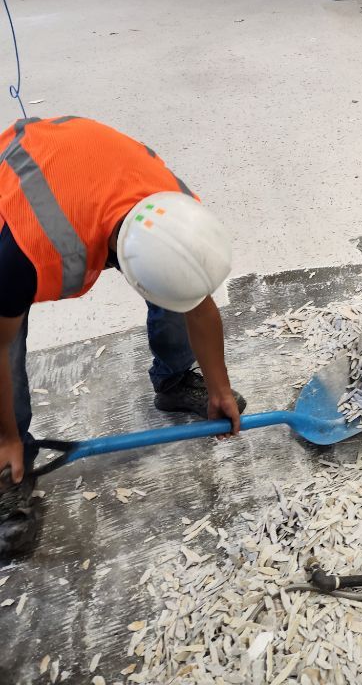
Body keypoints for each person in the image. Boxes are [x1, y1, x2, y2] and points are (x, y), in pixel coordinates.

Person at [0, 116, 245, 558]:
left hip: (92, 167)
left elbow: (196, 299)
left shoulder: (178, 212)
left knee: (177, 284)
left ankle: (173, 381)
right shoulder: (26, 251)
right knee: (7, 336)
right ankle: (10, 459)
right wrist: (6, 436)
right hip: (17, 196)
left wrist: (219, 387)